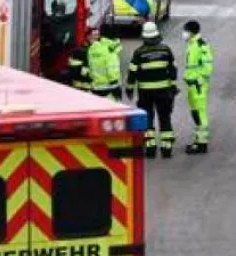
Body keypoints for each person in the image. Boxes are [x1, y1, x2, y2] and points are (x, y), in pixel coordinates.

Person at [127, 21, 178, 159]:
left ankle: (150, 148)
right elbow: (173, 69)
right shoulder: (165, 50)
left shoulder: (139, 53)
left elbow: (132, 72)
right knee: (165, 118)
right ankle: (166, 148)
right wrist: (173, 86)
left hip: (145, 93)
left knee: (148, 119)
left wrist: (129, 89)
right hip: (164, 91)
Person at [182, 20, 214, 154]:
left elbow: (208, 66)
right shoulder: (192, 44)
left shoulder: (201, 45)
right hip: (192, 84)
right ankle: (198, 139)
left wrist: (199, 80)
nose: (183, 34)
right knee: (195, 112)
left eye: (185, 31)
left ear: (191, 32)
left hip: (198, 85)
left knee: (200, 112)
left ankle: (202, 143)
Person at [87, 27, 123, 100]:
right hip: (109, 89)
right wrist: (116, 88)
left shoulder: (91, 50)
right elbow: (112, 72)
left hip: (96, 87)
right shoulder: (110, 52)